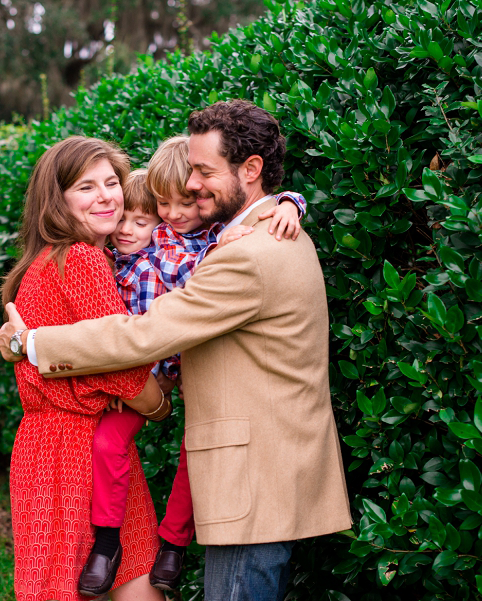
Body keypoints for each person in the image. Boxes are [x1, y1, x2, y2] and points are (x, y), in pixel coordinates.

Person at [0, 100, 353, 601]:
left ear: (251, 171)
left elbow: (141, 335)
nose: (189, 185)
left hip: (253, 479)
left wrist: (29, 341)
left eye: (204, 171)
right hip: (265, 473)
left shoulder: (250, 253)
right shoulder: (257, 234)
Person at [87, 157, 306, 594]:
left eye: (142, 218)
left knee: (196, 454)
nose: (131, 228)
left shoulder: (208, 237)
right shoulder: (124, 255)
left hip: (192, 371)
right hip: (139, 376)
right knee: (107, 441)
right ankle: (106, 544)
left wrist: (289, 204)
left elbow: (252, 212)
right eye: (159, 208)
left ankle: (172, 544)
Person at [0, 136, 169, 601]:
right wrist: (159, 404)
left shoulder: (44, 261)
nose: (106, 197)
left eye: (112, 182)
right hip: (73, 450)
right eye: (86, 187)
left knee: (101, 575)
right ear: (57, 200)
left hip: (59, 444)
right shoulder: (84, 258)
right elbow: (120, 366)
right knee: (116, 578)